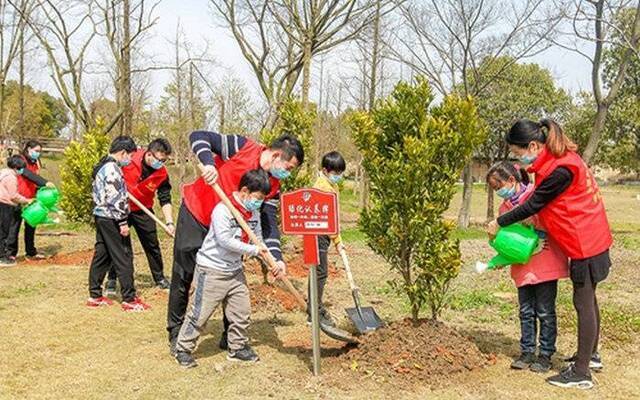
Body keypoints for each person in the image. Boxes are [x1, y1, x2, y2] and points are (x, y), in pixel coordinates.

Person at [486, 119, 612, 390]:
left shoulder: (560, 169)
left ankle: (581, 372)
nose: (519, 159)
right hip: (591, 238)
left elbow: (534, 203)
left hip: (585, 243)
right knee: (589, 300)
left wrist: (501, 222)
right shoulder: (560, 159)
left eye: (519, 153)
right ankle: (590, 356)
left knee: (584, 302)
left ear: (533, 145)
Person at [166, 131, 303, 353]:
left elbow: (268, 225)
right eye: (288, 167)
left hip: (231, 232)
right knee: (184, 274)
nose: (287, 173)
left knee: (232, 278)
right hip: (197, 214)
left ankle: (231, 338)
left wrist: (276, 258)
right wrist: (209, 164)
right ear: (277, 155)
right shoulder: (242, 147)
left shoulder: (274, 185)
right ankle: (176, 332)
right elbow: (198, 136)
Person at [174, 169, 271, 368]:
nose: (258, 202)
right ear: (245, 191)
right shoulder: (223, 210)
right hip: (212, 270)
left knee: (241, 312)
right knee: (200, 314)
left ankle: (236, 348)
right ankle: (182, 349)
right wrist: (254, 250)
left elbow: (258, 237)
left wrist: (270, 258)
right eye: (257, 198)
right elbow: (225, 241)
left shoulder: (252, 212)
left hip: (235, 271)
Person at [486, 161, 568, 373]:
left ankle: (546, 354)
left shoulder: (536, 195)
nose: (498, 192)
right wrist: (499, 256)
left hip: (545, 264)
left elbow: (551, 220)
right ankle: (527, 351)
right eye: (495, 189)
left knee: (545, 311)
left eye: (499, 186)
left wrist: (538, 231)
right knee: (525, 310)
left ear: (511, 180)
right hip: (523, 267)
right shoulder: (504, 208)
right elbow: (507, 239)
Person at [87, 136, 151, 312]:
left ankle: (94, 295)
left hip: (101, 216)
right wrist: (123, 222)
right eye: (130, 155)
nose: (130, 160)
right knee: (124, 255)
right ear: (123, 153)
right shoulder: (112, 169)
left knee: (102, 255)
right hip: (112, 217)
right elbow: (115, 199)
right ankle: (129, 298)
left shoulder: (102, 166)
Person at [105, 138, 174, 295]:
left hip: (144, 209)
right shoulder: (129, 159)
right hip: (122, 208)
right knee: (119, 245)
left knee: (152, 244)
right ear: (149, 154)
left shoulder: (161, 173)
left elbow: (165, 198)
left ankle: (159, 278)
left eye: (164, 160)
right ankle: (112, 278)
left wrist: (169, 222)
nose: (161, 163)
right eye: (159, 159)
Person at [307, 151, 346, 327]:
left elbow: (334, 217)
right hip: (318, 234)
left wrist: (338, 240)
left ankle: (314, 308)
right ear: (325, 170)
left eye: (340, 173)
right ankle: (314, 311)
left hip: (324, 234)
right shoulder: (322, 188)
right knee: (320, 272)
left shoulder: (330, 185)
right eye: (335, 173)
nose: (338, 176)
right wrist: (337, 240)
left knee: (318, 272)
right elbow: (327, 219)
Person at [7, 140, 55, 261]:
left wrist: (42, 190)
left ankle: (31, 251)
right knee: (14, 227)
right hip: (18, 198)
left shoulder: (35, 162)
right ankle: (10, 253)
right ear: (28, 149)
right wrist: (45, 182)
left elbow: (34, 179)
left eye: (40, 151)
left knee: (31, 225)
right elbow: (27, 174)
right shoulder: (20, 161)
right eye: (36, 151)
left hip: (30, 199)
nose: (38, 154)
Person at [0, 156, 33, 266]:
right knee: (5, 232)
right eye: (21, 168)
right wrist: (26, 200)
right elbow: (13, 196)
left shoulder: (3, 173)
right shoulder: (11, 178)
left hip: (2, 203)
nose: (22, 170)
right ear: (15, 167)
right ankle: (3, 257)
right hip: (6, 205)